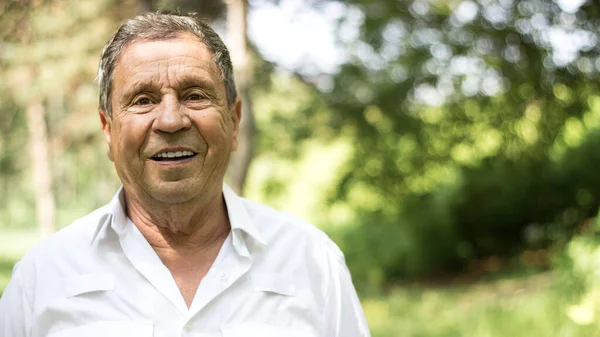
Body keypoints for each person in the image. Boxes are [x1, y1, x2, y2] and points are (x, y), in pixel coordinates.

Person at [0, 11, 370, 337]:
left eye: (195, 95)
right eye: (143, 100)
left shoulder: (312, 262)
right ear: (108, 131)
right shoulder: (42, 277)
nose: (171, 120)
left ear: (234, 121)